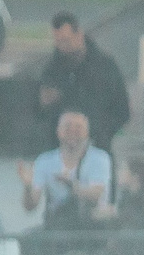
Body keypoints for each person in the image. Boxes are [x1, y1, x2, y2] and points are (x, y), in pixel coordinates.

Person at [16, 111, 113, 255]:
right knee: (23, 243)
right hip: (57, 228)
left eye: (78, 128)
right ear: (58, 131)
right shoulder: (45, 161)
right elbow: (31, 206)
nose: (73, 132)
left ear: (87, 132)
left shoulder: (99, 158)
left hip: (90, 229)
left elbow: (96, 193)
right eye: (68, 127)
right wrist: (27, 186)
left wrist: (72, 186)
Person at [34, 12, 131, 151]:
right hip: (60, 152)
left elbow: (122, 110)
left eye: (66, 41)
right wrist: (44, 104)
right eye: (58, 41)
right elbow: (39, 114)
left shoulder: (105, 66)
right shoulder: (51, 70)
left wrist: (101, 134)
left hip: (97, 146)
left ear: (79, 34)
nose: (62, 46)